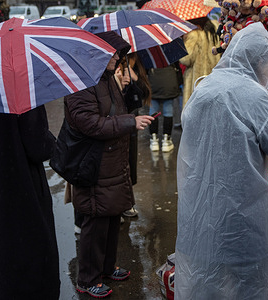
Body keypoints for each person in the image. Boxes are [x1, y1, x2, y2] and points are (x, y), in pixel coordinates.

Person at [175, 22, 268, 299]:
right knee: (247, 288)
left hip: (199, 215)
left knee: (205, 284)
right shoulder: (253, 96)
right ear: (260, 63)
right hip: (242, 218)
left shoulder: (203, 88)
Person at [63, 31, 154, 298]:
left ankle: (106, 267)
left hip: (112, 162)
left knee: (112, 216)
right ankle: (87, 278)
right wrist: (129, 122)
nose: (118, 57)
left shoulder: (106, 78)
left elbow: (121, 109)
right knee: (95, 220)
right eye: (113, 53)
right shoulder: (80, 83)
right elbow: (88, 122)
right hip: (93, 163)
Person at [0, 106, 60, 299]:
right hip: (23, 193)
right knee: (30, 263)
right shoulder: (22, 90)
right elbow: (38, 147)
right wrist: (53, 143)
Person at [115, 53, 152, 218]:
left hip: (130, 122)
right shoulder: (112, 67)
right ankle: (118, 204)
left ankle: (126, 201)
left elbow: (143, 94)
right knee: (116, 165)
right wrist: (118, 86)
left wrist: (133, 77)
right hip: (116, 124)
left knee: (129, 163)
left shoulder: (136, 65)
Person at [179, 18, 221, 108]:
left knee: (195, 109)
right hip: (213, 76)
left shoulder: (194, 35)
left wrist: (185, 41)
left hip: (196, 78)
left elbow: (186, 59)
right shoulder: (215, 33)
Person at [147, 64, 182, 152]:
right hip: (169, 83)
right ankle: (166, 140)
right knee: (168, 111)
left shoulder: (150, 53)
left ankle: (154, 139)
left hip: (153, 82)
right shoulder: (170, 52)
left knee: (153, 111)